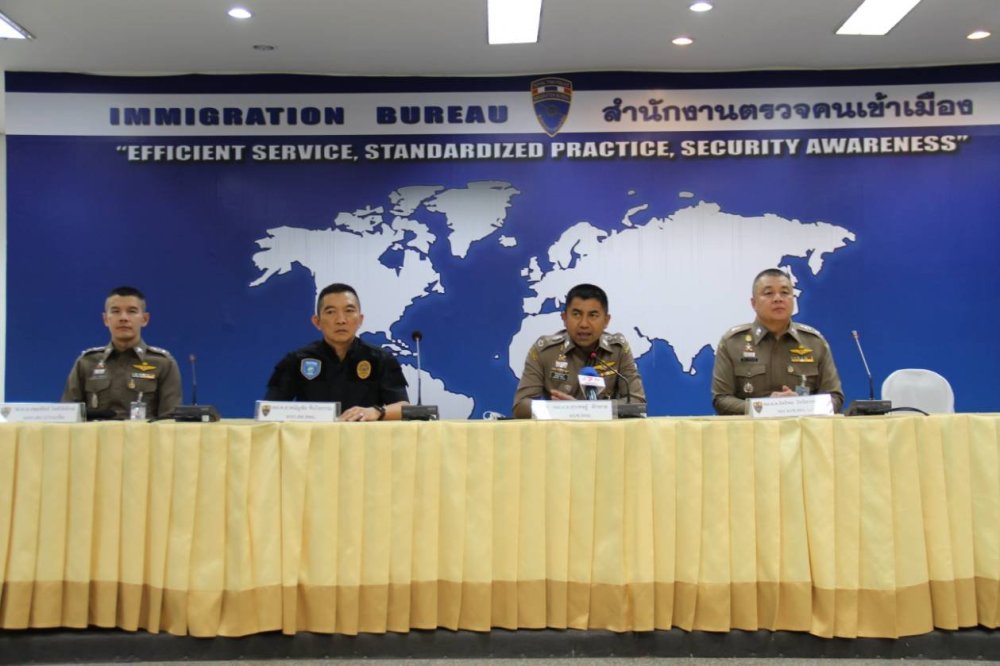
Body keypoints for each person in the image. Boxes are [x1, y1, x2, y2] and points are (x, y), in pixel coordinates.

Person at [264, 283, 409, 421]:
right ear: (317, 322)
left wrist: (376, 411)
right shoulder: (296, 360)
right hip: (314, 437)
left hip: (365, 437)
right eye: (330, 312)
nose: (341, 320)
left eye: (349, 311)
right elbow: (268, 409)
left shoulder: (381, 359)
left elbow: (404, 407)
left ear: (360, 319)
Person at [712, 268, 844, 415]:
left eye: (785, 293)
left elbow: (835, 398)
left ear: (793, 299)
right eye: (769, 293)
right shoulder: (733, 343)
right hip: (751, 429)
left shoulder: (814, 343)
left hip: (802, 428)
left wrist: (800, 404)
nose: (778, 299)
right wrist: (765, 407)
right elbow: (721, 400)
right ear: (754, 303)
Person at [512, 283, 646, 419]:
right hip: (560, 430)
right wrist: (563, 410)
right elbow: (521, 406)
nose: (584, 324)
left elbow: (637, 404)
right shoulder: (545, 351)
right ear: (564, 318)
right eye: (576, 314)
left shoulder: (618, 350)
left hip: (605, 431)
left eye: (593, 315)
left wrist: (582, 409)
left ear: (606, 320)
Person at [61, 286, 182, 419]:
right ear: (105, 319)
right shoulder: (87, 362)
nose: (123, 318)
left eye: (132, 311)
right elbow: (67, 415)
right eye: (116, 311)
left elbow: (170, 421)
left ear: (145, 319)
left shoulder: (163, 363)